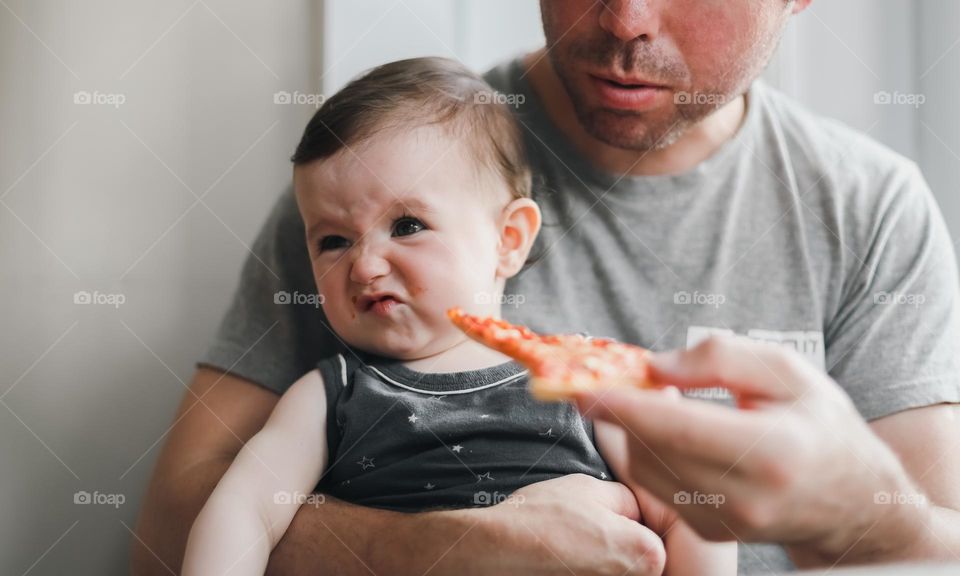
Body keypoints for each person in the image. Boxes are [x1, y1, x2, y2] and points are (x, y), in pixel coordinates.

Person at [132, 1, 960, 574]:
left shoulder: (870, 211)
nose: (625, 21)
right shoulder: (377, 172)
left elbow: (936, 546)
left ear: (512, 240)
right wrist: (436, 554)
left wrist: (861, 517)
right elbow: (170, 532)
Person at [180, 56, 735, 576]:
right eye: (333, 240)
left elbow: (693, 511)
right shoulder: (331, 396)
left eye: (407, 225)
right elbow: (245, 509)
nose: (365, 264)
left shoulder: (580, 378)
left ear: (507, 240)